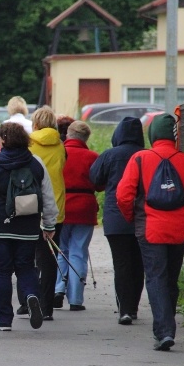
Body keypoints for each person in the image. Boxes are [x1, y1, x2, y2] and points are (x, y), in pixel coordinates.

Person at [117, 113, 184, 351]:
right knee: (170, 279)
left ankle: (164, 331)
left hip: (150, 229)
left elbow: (123, 196)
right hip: (179, 230)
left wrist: (134, 218)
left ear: (151, 134)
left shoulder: (140, 158)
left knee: (156, 277)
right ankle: (166, 327)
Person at [0, 122, 58, 331]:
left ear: (4, 140)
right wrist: (49, 224)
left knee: (2, 271)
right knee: (26, 267)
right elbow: (48, 198)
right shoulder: (36, 163)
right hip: (28, 225)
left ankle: (4, 320)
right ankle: (32, 296)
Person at [90, 116, 146, 325]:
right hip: (143, 217)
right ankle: (133, 307)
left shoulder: (109, 155)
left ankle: (124, 309)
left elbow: (95, 178)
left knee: (121, 264)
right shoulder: (146, 156)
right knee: (139, 263)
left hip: (116, 218)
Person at [19, 105, 66, 320]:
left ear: (35, 124)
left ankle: (26, 299)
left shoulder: (28, 145)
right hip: (55, 208)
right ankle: (47, 307)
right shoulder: (60, 146)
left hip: (28, 207)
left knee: (25, 257)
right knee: (49, 259)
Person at [53, 121, 104, 311]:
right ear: (86, 138)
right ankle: (75, 299)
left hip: (61, 205)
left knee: (61, 250)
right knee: (78, 253)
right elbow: (100, 184)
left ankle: (58, 289)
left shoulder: (58, 153)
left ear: (68, 134)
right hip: (84, 207)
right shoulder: (92, 157)